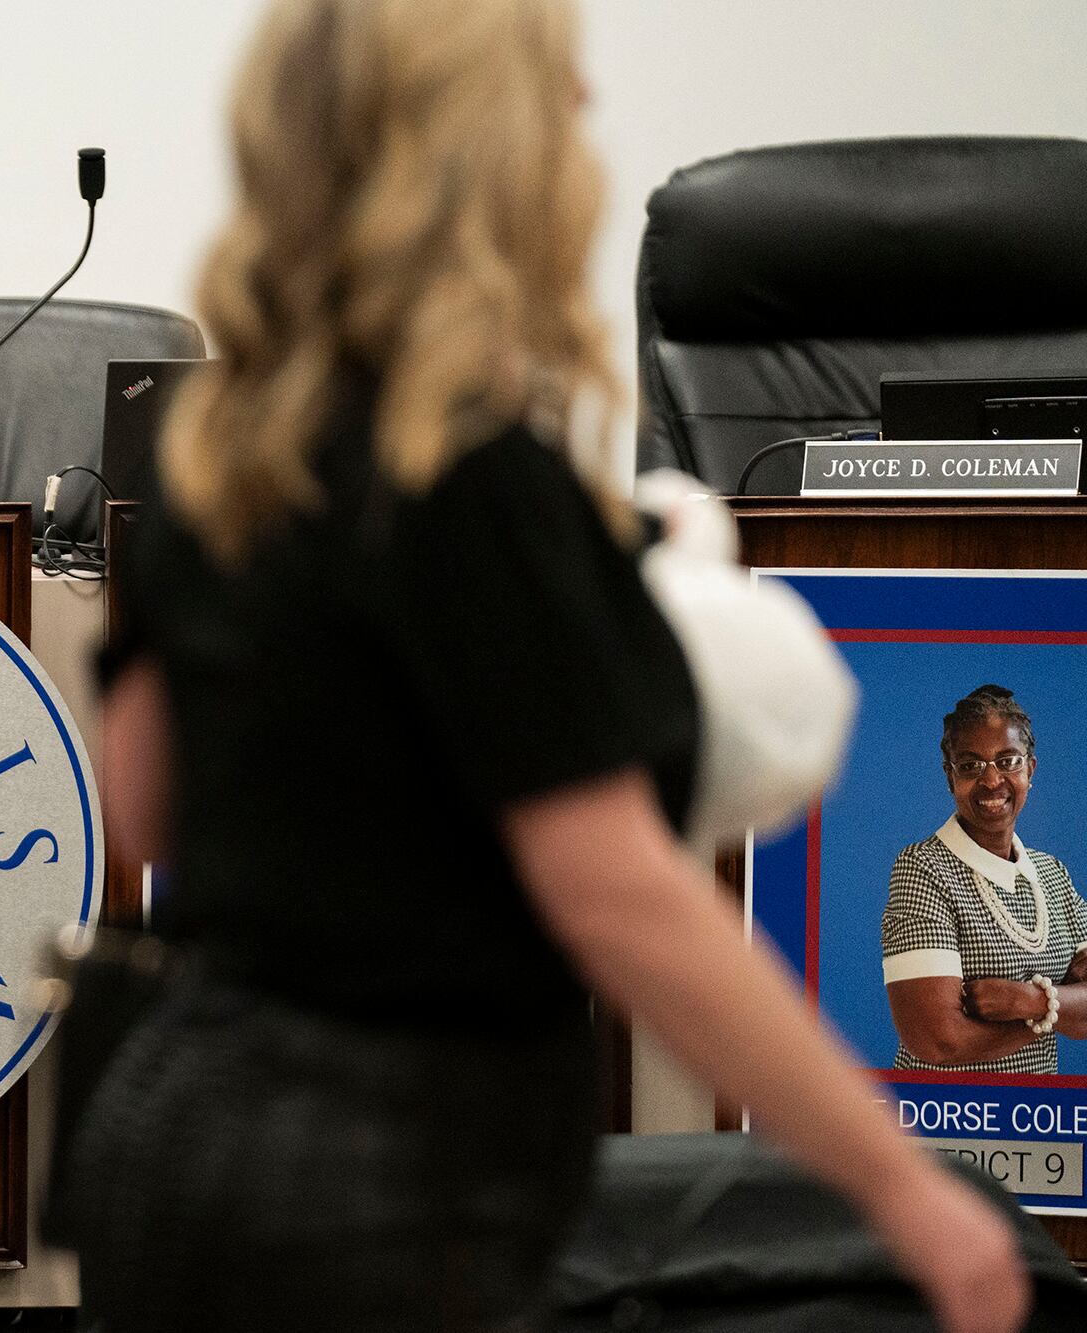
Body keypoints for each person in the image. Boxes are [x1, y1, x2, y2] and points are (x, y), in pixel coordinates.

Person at [56, 2, 1031, 1330]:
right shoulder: (462, 473)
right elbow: (621, 897)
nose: (581, 119)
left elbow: (148, 804)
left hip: (170, 1146)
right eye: (560, 91)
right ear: (486, 151)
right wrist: (902, 1188)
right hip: (375, 1194)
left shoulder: (216, 448)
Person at [885, 685, 1087, 1074]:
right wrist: (1059, 1011)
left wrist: (1031, 1001)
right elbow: (938, 1040)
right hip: (946, 1123)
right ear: (951, 776)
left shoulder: (1052, 875)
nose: (992, 780)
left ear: (1030, 768)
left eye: (1008, 760)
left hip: (1033, 1124)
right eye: (971, 765)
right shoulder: (923, 869)